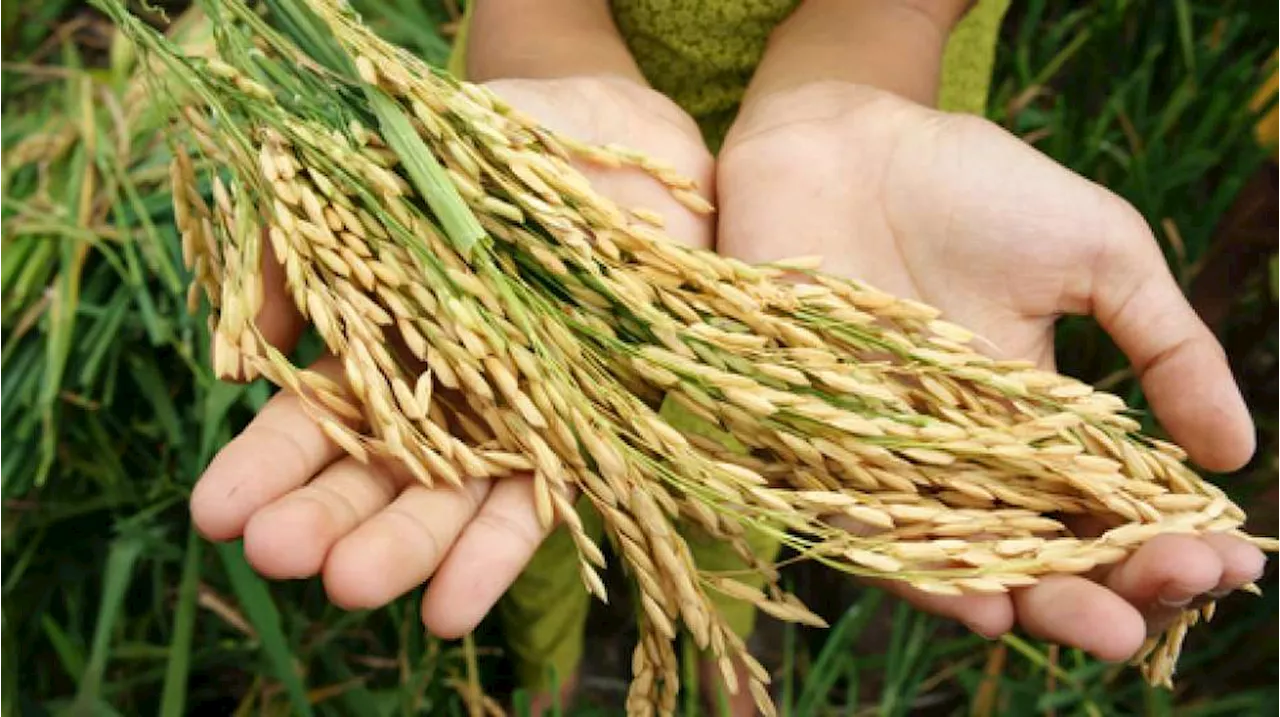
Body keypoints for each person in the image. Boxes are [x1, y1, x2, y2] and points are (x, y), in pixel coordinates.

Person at [189, 1, 1268, 714]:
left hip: (864, 149)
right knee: (537, 455)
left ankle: (717, 652)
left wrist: (858, 57)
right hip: (551, 137)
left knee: (768, 459)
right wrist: (542, 35)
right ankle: (559, 663)